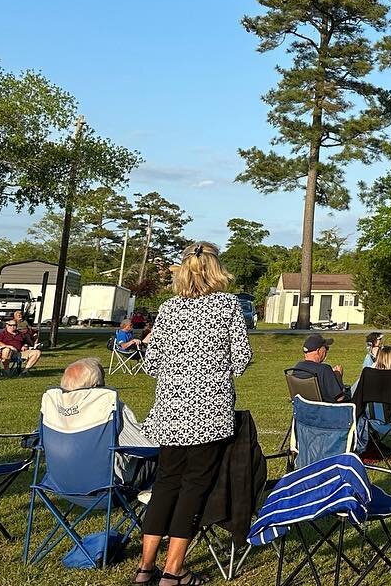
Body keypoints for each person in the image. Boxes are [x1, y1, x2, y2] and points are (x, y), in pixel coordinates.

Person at [134, 240, 252, 586]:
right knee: (194, 487)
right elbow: (241, 359)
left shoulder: (169, 309)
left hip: (170, 409)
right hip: (209, 411)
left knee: (166, 483)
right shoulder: (228, 306)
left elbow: (151, 362)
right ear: (216, 269)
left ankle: (145, 568)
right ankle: (174, 571)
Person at [59, 357, 159, 486]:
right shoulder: (108, 408)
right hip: (105, 486)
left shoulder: (55, 410)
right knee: (170, 453)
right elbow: (145, 444)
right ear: (96, 385)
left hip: (63, 483)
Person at [292, 333, 348, 403]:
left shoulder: (298, 367)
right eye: (326, 348)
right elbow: (340, 398)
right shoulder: (324, 369)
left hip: (304, 410)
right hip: (326, 410)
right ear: (319, 350)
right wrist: (338, 376)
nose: (327, 351)